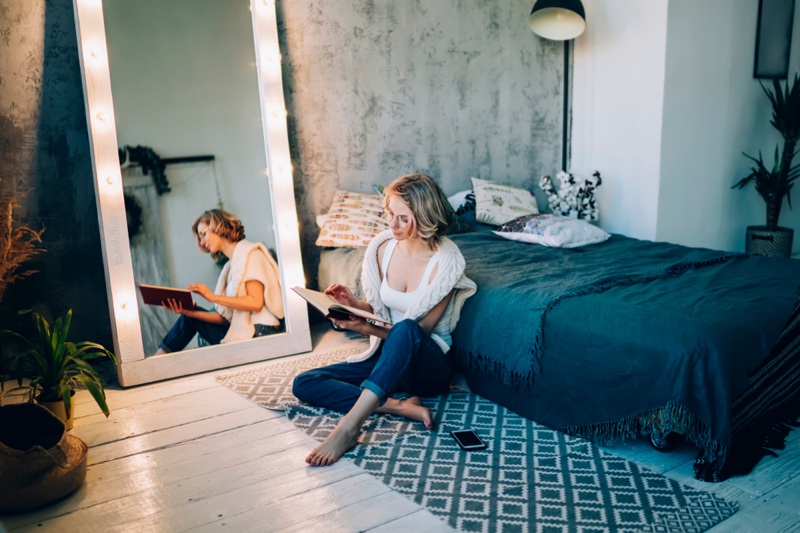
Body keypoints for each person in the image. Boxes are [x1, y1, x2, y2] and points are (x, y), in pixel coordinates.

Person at [293, 174, 477, 466]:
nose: (392, 225)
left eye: (403, 218)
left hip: (427, 367)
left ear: (425, 216)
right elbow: (382, 309)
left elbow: (417, 334)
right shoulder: (382, 248)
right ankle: (397, 406)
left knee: (407, 329)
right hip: (386, 355)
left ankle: (349, 427)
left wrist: (365, 327)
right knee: (305, 382)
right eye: (389, 214)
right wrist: (354, 305)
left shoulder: (447, 264)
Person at [154, 209, 284, 354]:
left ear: (218, 225)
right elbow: (226, 319)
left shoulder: (251, 254)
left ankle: (155, 362)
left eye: (203, 234)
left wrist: (213, 297)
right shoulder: (231, 267)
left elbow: (256, 303)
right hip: (251, 329)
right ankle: (157, 360)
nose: (202, 242)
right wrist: (189, 312)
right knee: (189, 317)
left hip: (262, 331)